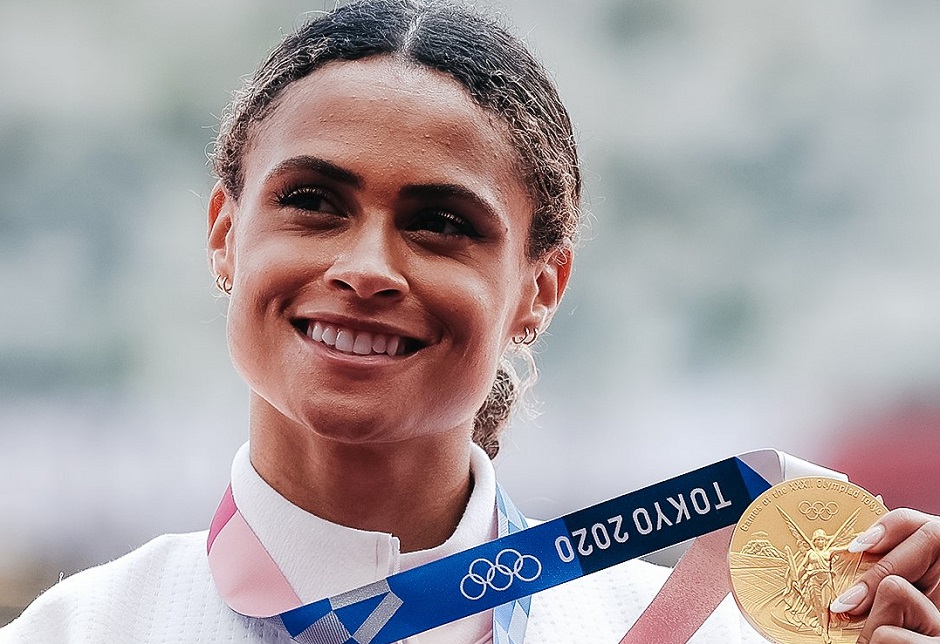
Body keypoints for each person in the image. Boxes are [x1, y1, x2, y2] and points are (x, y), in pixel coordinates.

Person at [2, 1, 938, 642]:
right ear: (224, 236)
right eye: (314, 201)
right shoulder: (83, 629)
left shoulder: (665, 630)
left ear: (541, 288)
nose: (365, 268)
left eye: (440, 224)